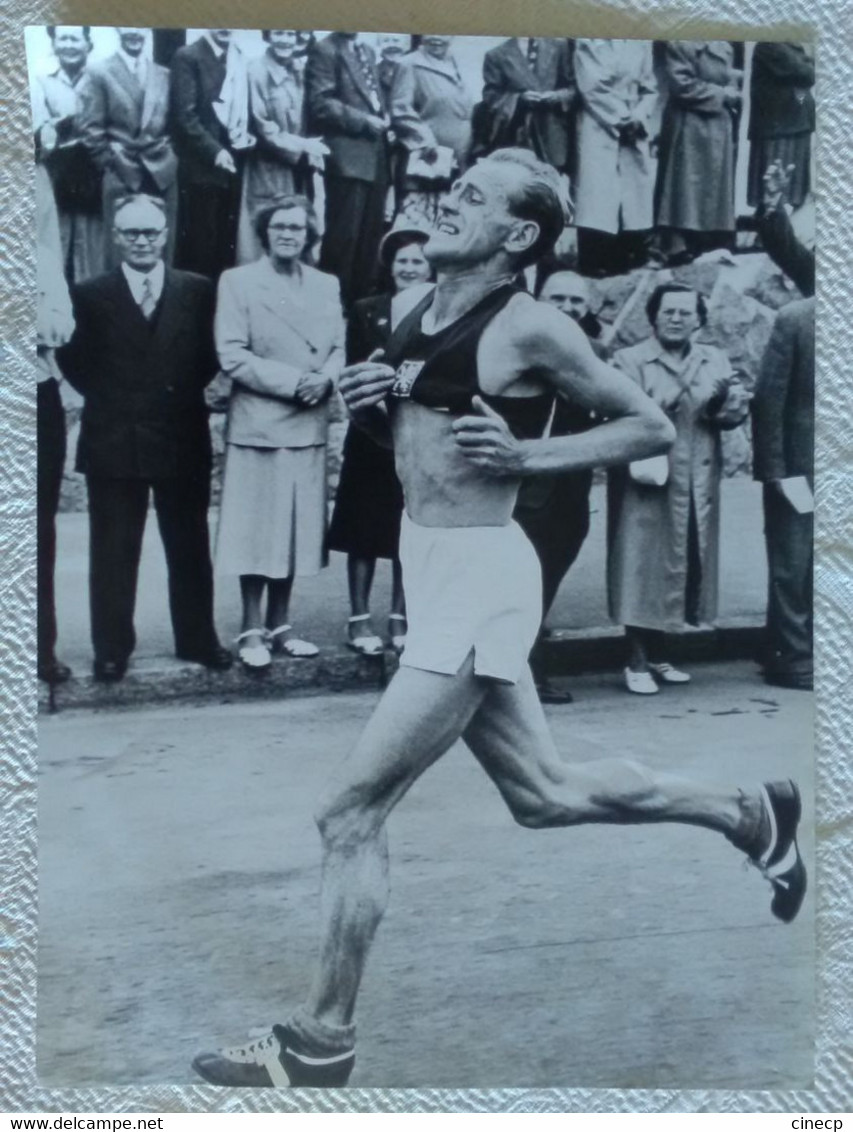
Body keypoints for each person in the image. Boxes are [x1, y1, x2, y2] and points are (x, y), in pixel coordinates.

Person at [192, 150, 806, 1088]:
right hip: (432, 567)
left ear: (517, 235)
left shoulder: (532, 327)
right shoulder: (410, 313)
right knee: (543, 795)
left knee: (348, 812)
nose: (448, 203)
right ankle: (745, 813)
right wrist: (368, 411)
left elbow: (644, 423)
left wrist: (529, 457)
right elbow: (415, 448)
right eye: (453, 189)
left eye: (472, 197)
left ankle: (320, 1039)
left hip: (482, 577)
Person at [57, 194, 232, 681]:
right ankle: (111, 648)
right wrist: (118, 399)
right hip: (115, 435)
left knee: (190, 543)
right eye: (131, 233)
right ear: (116, 237)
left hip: (181, 430)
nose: (141, 241)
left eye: (150, 232)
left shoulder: (196, 290)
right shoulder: (91, 293)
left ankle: (198, 638)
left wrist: (169, 396)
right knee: (113, 548)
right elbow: (75, 362)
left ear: (165, 234)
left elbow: (208, 356)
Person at [214, 196, 345, 669]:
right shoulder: (238, 282)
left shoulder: (327, 284)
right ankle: (251, 627)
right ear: (265, 233)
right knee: (256, 530)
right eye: (278, 227)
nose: (288, 234)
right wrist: (296, 383)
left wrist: (327, 378)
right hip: (259, 423)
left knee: (293, 529)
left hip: (308, 424)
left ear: (310, 235)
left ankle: (282, 623)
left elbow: (338, 346)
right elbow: (231, 354)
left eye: (297, 227)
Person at [607, 284, 750, 694]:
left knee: (684, 562)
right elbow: (629, 411)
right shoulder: (628, 360)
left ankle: (660, 654)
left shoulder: (715, 357)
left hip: (698, 476)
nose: (676, 318)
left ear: (699, 319)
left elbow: (731, 415)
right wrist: (685, 388)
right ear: (652, 316)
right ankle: (634, 660)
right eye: (668, 311)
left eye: (686, 312)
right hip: (647, 476)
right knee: (640, 565)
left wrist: (726, 401)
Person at [327, 218, 433, 656]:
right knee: (362, 527)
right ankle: (358, 617)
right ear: (390, 265)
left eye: (418, 261)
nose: (409, 268)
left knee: (408, 527)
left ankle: (400, 616)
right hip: (371, 432)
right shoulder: (368, 307)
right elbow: (353, 364)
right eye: (402, 260)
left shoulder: (438, 309)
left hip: (415, 431)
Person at [513, 268, 604, 704]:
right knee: (518, 585)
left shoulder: (599, 355)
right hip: (522, 489)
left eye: (576, 301)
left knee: (546, 583)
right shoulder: (518, 348)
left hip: (571, 493)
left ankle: (528, 670)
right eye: (558, 299)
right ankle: (523, 676)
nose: (567, 308)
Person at [751, 297, 814, 692]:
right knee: (792, 567)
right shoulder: (796, 318)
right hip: (800, 468)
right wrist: (775, 472)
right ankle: (794, 660)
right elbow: (768, 399)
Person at [78, 27, 179, 269]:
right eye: (128, 27)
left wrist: (169, 156)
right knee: (121, 252)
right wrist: (111, 163)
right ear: (117, 29)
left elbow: (174, 124)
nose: (134, 33)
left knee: (162, 250)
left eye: (140, 27)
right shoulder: (99, 72)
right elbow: (91, 130)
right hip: (121, 172)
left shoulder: (163, 74)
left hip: (162, 173)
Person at [305, 32, 390, 307]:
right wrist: (364, 121)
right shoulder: (325, 49)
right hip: (348, 160)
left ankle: (358, 315)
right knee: (345, 240)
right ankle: (332, 309)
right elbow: (320, 103)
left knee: (368, 242)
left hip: (375, 158)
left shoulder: (364, 48)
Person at [236, 30, 330, 264]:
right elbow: (263, 127)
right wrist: (303, 145)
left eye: (291, 34)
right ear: (267, 36)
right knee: (265, 233)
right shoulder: (256, 71)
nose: (285, 40)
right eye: (279, 33)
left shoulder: (298, 69)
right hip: (267, 169)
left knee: (296, 233)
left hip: (298, 169)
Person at [170, 29, 255, 279]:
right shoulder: (188, 56)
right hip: (201, 171)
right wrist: (215, 151)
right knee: (201, 252)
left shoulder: (238, 57)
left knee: (225, 250)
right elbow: (185, 116)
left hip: (233, 167)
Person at [36, 165, 76, 685]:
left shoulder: (41, 260)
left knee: (37, 528)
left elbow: (60, 327)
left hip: (36, 396)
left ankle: (39, 650)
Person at [573, 39, 658, 276]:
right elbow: (591, 87)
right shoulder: (589, 40)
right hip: (599, 122)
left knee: (633, 192)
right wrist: (621, 118)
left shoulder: (641, 42)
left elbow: (650, 88)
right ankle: (595, 258)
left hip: (634, 125)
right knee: (598, 193)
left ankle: (631, 254)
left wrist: (639, 116)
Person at [655, 41, 742, 264]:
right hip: (689, 124)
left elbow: (724, 76)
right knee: (684, 188)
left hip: (716, 124)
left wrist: (733, 87)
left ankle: (708, 244)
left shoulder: (724, 46)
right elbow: (681, 84)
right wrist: (722, 95)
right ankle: (677, 246)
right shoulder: (681, 42)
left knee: (713, 190)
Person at [31, 25, 104, 282]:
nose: (69, 45)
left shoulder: (101, 77)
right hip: (59, 180)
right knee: (57, 250)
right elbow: (41, 133)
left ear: (88, 43)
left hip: (96, 180)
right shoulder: (41, 82)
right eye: (62, 39)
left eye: (75, 39)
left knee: (93, 255)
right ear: (53, 44)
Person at [390, 36, 473, 228]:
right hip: (427, 165)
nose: (436, 37)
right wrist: (426, 141)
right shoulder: (409, 63)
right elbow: (400, 109)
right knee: (418, 225)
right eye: (430, 30)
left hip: (458, 162)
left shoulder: (456, 61)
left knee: (449, 225)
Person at [480, 37, 575, 173]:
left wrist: (556, 97)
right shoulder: (496, 55)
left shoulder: (560, 47)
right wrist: (519, 99)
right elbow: (491, 97)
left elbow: (573, 89)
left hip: (553, 136)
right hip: (517, 138)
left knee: (554, 186)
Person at [747, 43, 815, 211]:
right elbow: (806, 72)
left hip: (796, 124)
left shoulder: (793, 46)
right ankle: (767, 235)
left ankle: (783, 234)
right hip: (777, 129)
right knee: (772, 195)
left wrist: (807, 64)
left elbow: (807, 71)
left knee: (794, 194)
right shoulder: (769, 45)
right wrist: (807, 63)